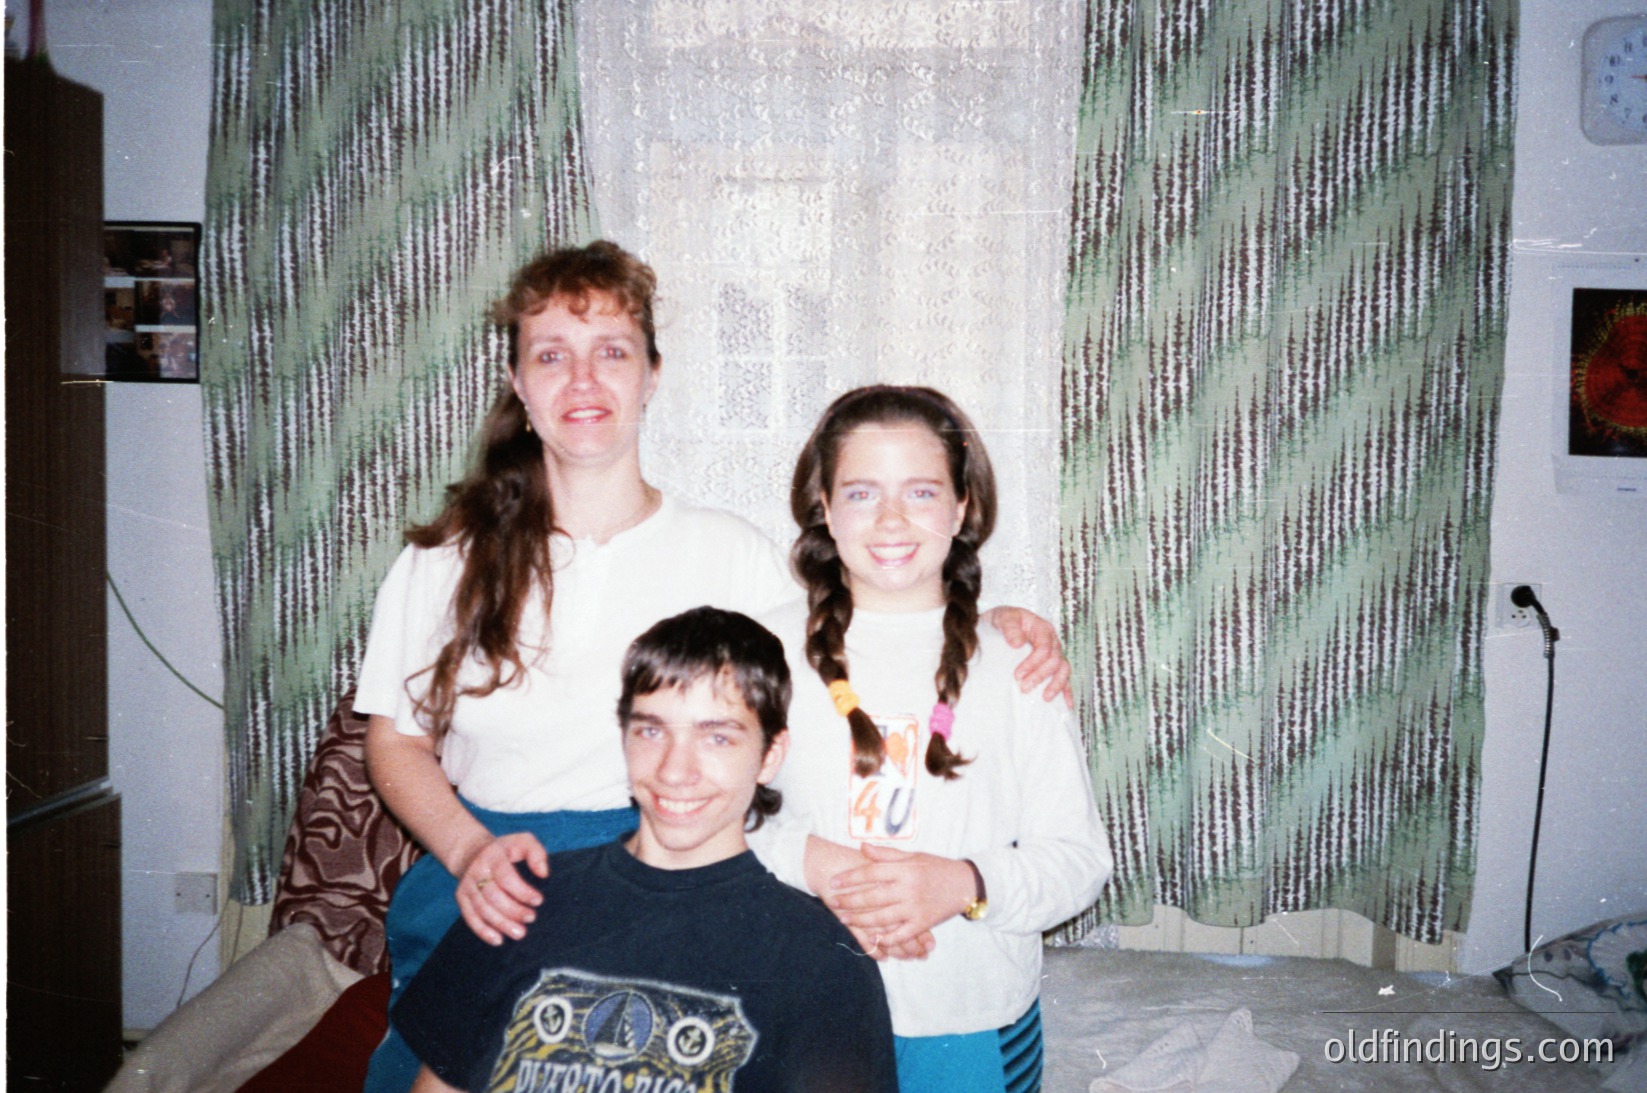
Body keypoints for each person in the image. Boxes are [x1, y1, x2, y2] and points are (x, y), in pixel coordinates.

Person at [358, 241, 1070, 1092]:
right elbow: (394, 744)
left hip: (673, 876)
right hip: (493, 881)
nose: (582, 383)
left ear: (652, 374)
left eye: (611, 353)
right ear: (517, 381)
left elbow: (860, 622)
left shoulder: (729, 555)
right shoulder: (443, 561)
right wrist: (472, 852)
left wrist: (988, 623)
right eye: (551, 356)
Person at [760, 386, 1114, 1093]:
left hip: (973, 1021)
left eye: (920, 491)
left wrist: (961, 884)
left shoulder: (1017, 665)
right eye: (860, 493)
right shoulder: (761, 648)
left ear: (962, 507)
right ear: (823, 508)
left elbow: (1078, 862)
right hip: (805, 1014)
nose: (891, 518)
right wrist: (816, 864)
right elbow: (712, 824)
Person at [392, 607, 898, 1092]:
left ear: (770, 756)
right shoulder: (518, 901)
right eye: (652, 731)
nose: (675, 770)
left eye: (717, 738)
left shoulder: (820, 958)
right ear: (624, 737)